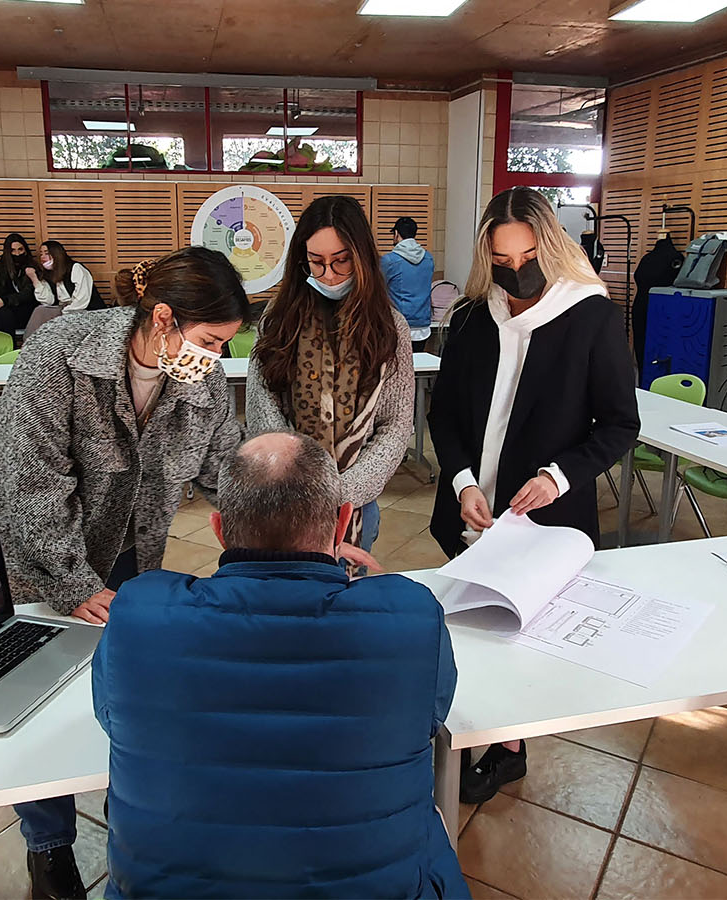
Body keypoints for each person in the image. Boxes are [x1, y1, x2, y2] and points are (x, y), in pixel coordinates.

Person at [0, 246, 249, 900]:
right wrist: (73, 582)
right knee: (40, 695)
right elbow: (32, 485)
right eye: (209, 341)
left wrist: (288, 545)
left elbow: (227, 470)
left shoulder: (199, 378)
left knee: (120, 682)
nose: (215, 359)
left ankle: (131, 814)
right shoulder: (62, 354)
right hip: (31, 549)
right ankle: (49, 846)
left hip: (127, 542)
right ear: (163, 318)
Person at [92, 430, 467, 899]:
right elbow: (431, 714)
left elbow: (110, 715)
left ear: (219, 530)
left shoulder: (137, 613)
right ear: (343, 522)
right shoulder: (411, 619)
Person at [427, 186, 640, 805]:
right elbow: (443, 417)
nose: (515, 271)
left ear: (550, 246)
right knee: (469, 629)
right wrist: (463, 481)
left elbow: (620, 425)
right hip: (474, 508)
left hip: (544, 520)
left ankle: (511, 748)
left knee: (520, 640)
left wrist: (557, 476)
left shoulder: (591, 316)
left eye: (526, 257)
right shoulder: (472, 318)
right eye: (501, 260)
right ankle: (471, 729)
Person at [247, 194, 413, 555]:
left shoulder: (388, 327)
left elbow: (395, 425)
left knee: (346, 594)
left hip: (355, 501)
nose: (329, 275)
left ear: (363, 259)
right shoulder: (279, 320)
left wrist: (342, 490)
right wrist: (300, 488)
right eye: (316, 263)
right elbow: (264, 413)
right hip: (285, 497)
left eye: (342, 262)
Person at [380, 216, 436, 352]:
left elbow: (378, 288)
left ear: (396, 234)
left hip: (398, 325)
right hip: (423, 326)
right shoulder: (428, 259)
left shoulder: (389, 261)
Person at [0, 232, 38, 333]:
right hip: (1, 307)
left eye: (20, 249)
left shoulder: (32, 268)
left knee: (4, 313)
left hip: (23, 308)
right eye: (13, 250)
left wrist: (5, 301)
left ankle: (7, 346)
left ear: (25, 250)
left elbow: (28, 294)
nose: (17, 254)